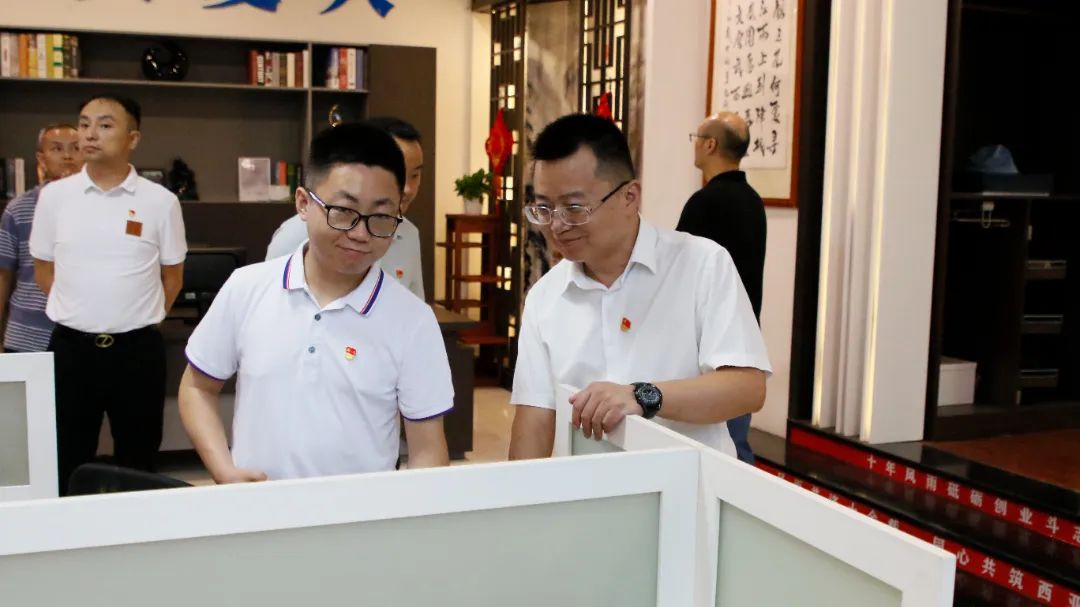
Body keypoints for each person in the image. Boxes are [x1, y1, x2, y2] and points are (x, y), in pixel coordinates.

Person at [180, 123, 452, 483]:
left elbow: (428, 448)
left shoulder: (413, 319)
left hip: (362, 514)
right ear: (304, 203)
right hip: (258, 507)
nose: (360, 233)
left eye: (381, 217)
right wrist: (223, 469)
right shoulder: (247, 288)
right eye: (343, 211)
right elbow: (197, 387)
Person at [508, 114, 771, 460]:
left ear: (630, 197)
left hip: (686, 486)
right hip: (589, 490)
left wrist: (644, 396)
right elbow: (534, 421)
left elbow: (747, 387)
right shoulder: (545, 297)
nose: (556, 226)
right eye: (544, 207)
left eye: (574, 208)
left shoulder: (701, 265)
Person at [30, 96, 187, 494]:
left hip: (137, 350)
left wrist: (142, 316)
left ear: (132, 138)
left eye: (104, 125)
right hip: (71, 349)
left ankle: (137, 530)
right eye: (84, 124)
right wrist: (79, 309)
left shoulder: (161, 202)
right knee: (66, 455)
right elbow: (43, 268)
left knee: (139, 458)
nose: (89, 134)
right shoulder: (55, 197)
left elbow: (173, 276)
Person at [679, 112, 767, 464]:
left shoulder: (705, 204)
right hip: (742, 338)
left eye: (696, 138)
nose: (695, 145)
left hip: (708, 343)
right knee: (736, 440)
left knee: (718, 446)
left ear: (710, 145)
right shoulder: (752, 200)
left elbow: (678, 275)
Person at [265, 117, 426, 301]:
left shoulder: (409, 234)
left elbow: (414, 303)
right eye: (399, 174)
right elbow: (271, 300)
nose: (407, 189)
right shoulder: (292, 235)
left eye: (415, 175)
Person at [0, 124, 82, 353]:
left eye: (75, 148)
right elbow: (3, 276)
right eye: (57, 149)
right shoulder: (19, 209)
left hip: (84, 336)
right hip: (27, 336)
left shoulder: (102, 208)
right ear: (41, 159)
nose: (67, 156)